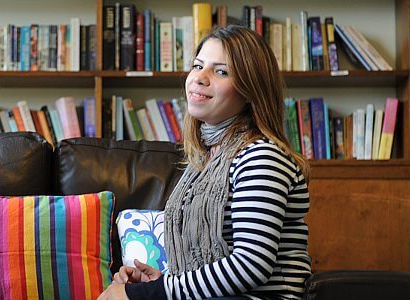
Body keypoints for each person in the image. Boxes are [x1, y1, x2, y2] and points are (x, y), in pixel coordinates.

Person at [99, 25, 311, 300]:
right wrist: (154, 283)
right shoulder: (206, 161)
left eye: (221, 71)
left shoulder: (261, 156)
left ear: (250, 90)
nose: (200, 78)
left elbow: (251, 266)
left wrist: (150, 293)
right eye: (198, 66)